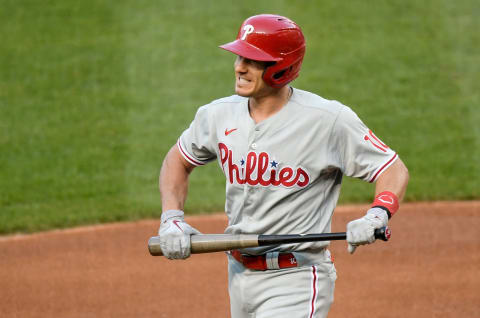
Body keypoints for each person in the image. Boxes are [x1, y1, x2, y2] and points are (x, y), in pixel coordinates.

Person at [158, 14, 409, 318]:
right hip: (238, 273)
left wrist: (376, 214)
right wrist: (171, 217)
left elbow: (391, 167)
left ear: (281, 68)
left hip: (296, 280)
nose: (239, 67)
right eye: (240, 56)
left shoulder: (326, 120)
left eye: (253, 60)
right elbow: (177, 160)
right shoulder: (217, 115)